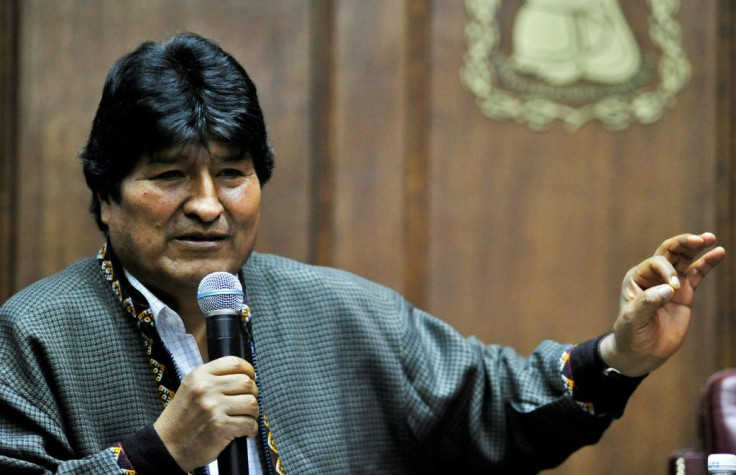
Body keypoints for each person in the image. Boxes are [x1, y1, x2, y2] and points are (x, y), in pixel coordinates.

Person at [0, 32, 725, 475]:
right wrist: (158, 453)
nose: (209, 204)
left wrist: (621, 352)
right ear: (104, 194)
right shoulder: (33, 334)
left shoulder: (338, 309)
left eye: (231, 173)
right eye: (168, 176)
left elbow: (493, 404)